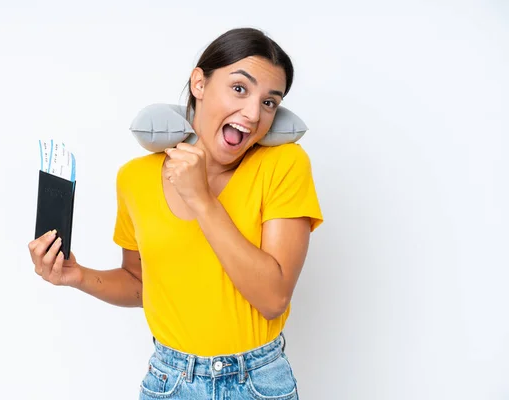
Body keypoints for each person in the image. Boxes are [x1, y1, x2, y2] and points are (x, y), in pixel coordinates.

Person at [28, 27, 323, 399]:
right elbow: (140, 283)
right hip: (170, 381)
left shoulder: (283, 164)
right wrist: (77, 275)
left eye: (269, 102)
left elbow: (273, 298)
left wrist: (201, 199)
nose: (252, 113)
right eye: (239, 88)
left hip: (257, 382)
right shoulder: (135, 177)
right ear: (199, 83)